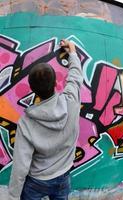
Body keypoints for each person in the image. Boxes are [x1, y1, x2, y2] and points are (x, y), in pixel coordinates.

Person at [8, 39, 83, 200]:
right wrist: (72, 50)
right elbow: (76, 76)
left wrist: (14, 195)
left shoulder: (26, 122)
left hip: (37, 181)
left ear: (33, 90)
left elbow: (20, 165)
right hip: (64, 176)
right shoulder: (71, 101)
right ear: (56, 83)